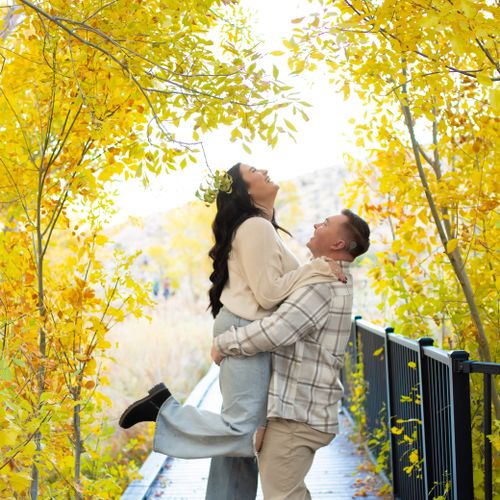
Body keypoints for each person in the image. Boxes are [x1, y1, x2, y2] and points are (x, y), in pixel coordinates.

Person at [119, 163, 345, 500]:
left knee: (241, 448)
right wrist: (316, 268)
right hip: (245, 329)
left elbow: (271, 291)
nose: (266, 169)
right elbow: (269, 294)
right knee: (245, 433)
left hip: (248, 330)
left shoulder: (261, 226)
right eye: (255, 170)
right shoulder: (255, 226)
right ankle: (164, 409)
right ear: (245, 190)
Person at [211, 209, 371, 500]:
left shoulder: (323, 286)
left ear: (337, 245)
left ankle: (165, 413)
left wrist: (225, 343)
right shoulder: (326, 277)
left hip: (299, 415)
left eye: (325, 224)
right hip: (300, 410)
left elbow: (278, 331)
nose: (315, 224)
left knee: (283, 496)